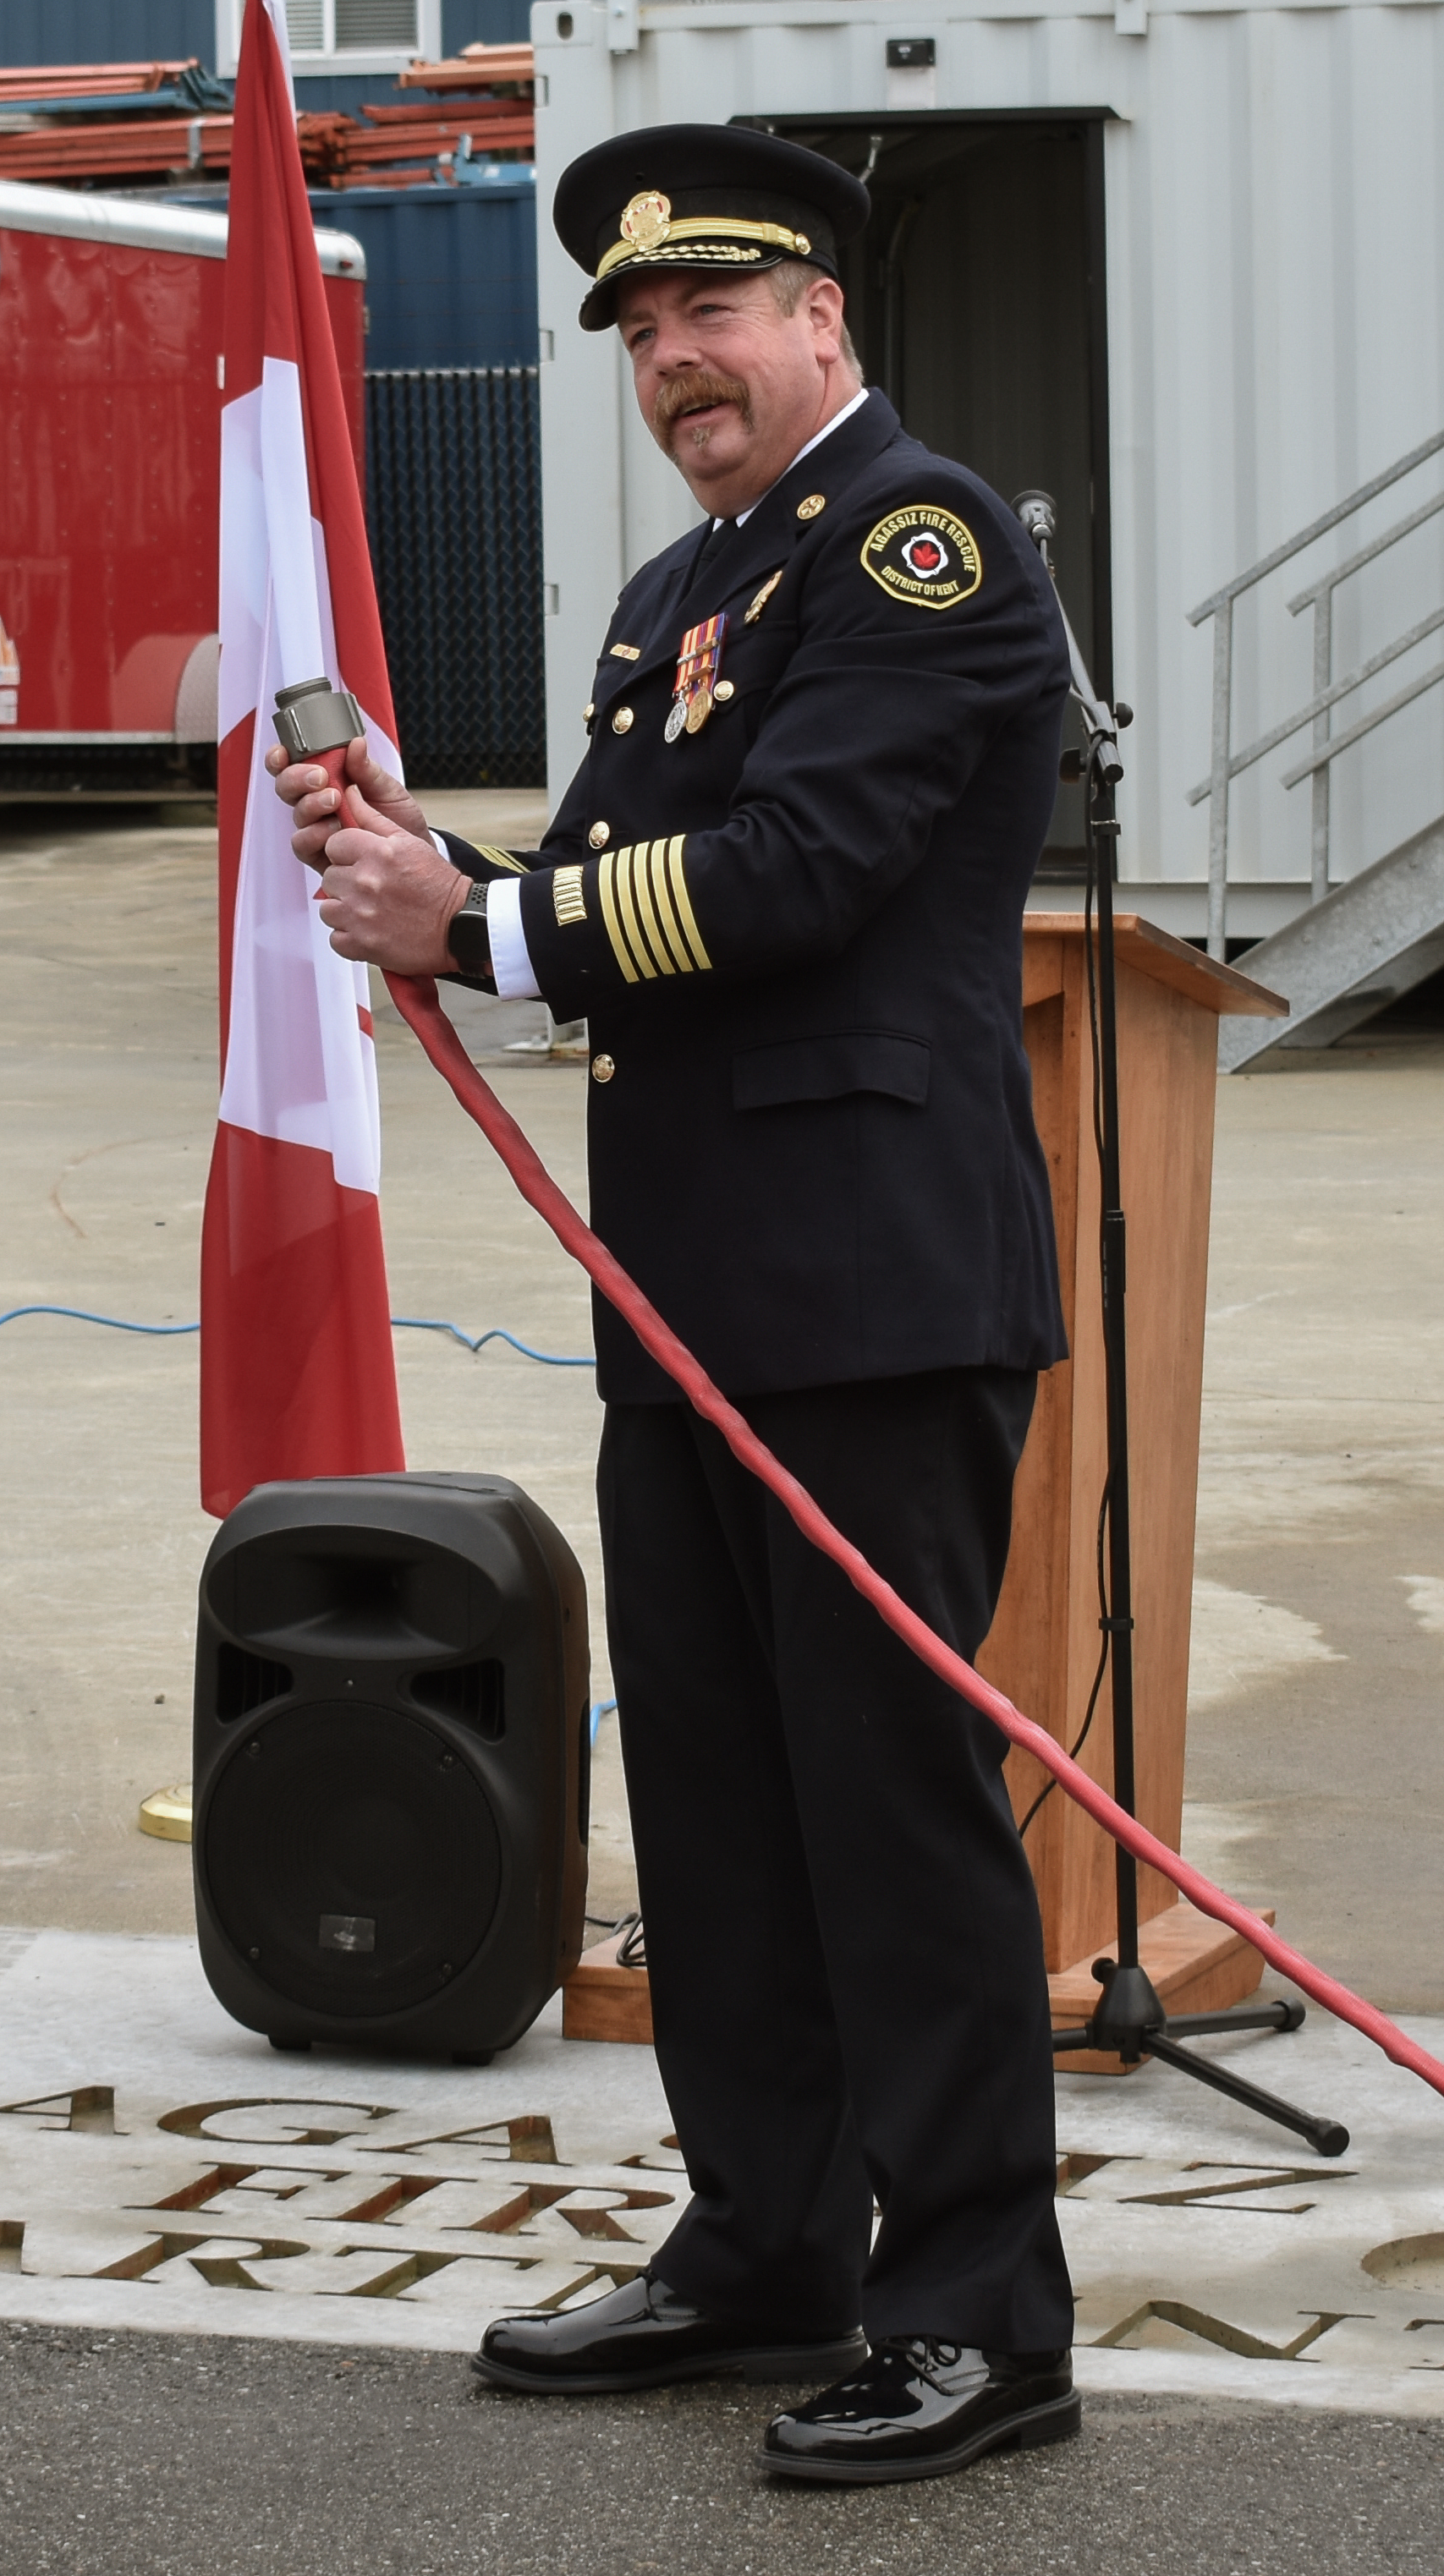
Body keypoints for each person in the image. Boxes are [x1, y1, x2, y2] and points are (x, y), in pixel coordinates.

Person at [277, 123, 1081, 2489]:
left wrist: (489, 930)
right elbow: (644, 872)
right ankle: (764, 2246)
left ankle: (974, 2313)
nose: (672, 362)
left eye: (709, 315)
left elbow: (810, 868)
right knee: (724, 1804)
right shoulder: (685, 587)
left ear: (820, 314)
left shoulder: (922, 549)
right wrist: (453, 874)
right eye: (637, 333)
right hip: (696, 1293)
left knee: (891, 1809)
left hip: (869, 1285)